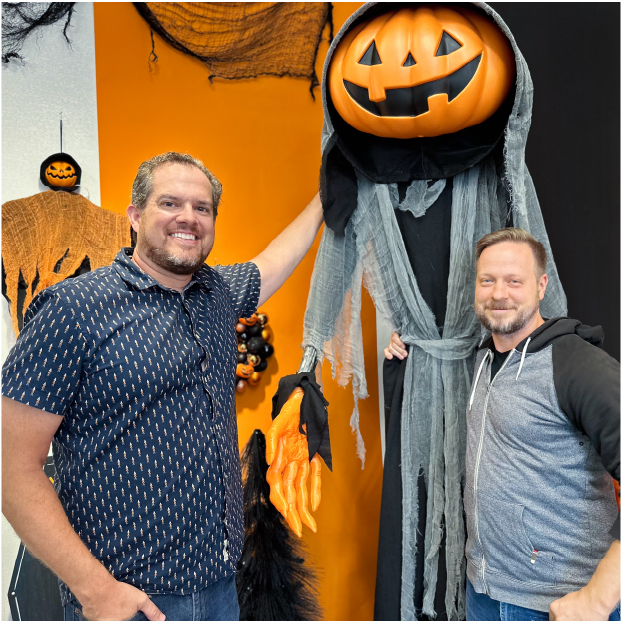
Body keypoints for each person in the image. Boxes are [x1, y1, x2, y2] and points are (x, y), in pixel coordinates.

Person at [1, 151, 324, 621]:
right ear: (134, 215)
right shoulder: (73, 310)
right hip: (129, 602)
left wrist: (325, 199)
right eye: (170, 203)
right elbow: (12, 467)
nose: (188, 219)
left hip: (221, 590)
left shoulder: (216, 294)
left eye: (202, 208)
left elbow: (272, 262)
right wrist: (95, 591)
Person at [385, 228, 621, 620]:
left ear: (542, 285)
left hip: (558, 603)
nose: (499, 294)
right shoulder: (483, 359)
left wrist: (598, 598)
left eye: (515, 281)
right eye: (488, 281)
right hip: (485, 594)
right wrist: (404, 342)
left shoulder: (577, 365)